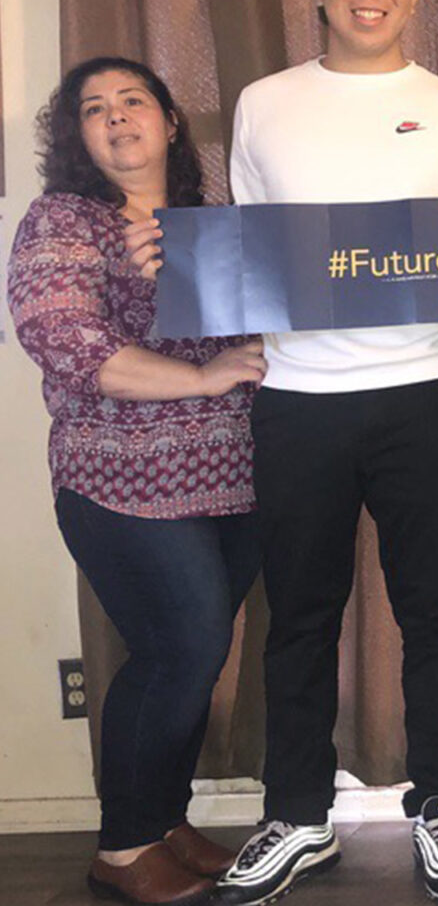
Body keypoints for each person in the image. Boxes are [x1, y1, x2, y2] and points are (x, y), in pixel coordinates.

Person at [130, 0, 438, 906]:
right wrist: (181, 263)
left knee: (434, 607)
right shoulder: (262, 103)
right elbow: (253, 251)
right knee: (297, 615)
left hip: (428, 393)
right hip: (296, 400)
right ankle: (299, 815)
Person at [7, 56, 267, 906]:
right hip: (119, 482)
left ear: (167, 120)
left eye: (133, 102)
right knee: (178, 649)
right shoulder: (65, 220)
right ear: (76, 135)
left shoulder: (214, 220)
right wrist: (198, 377)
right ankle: (121, 848)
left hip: (233, 481)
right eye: (94, 109)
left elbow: (264, 330)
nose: (117, 118)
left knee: (197, 658)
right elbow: (63, 340)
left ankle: (163, 818)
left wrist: (200, 290)